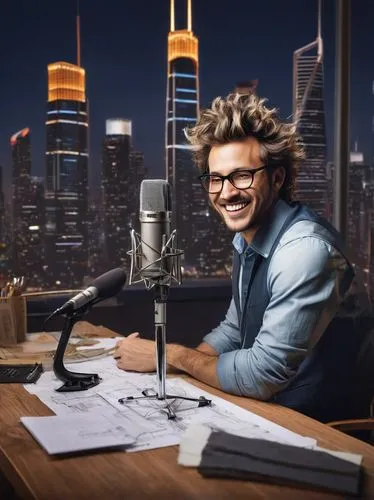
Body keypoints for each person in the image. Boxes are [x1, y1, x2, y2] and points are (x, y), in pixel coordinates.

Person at [114, 93, 372, 422]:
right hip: (268, 413)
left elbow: (262, 375)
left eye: (242, 175)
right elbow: (234, 332)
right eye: (216, 179)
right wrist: (167, 363)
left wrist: (169, 356)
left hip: (321, 432)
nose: (226, 192)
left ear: (277, 178)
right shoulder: (246, 239)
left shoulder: (304, 251)